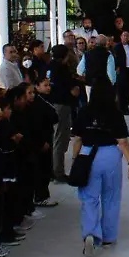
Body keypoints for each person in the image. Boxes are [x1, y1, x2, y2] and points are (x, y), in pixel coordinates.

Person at [70, 80, 129, 257]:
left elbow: (77, 139)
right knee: (111, 196)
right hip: (110, 156)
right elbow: (122, 141)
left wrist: (75, 159)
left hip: (88, 154)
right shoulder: (115, 113)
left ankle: (91, 233)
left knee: (89, 198)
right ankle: (108, 237)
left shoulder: (84, 112)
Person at [47, 46, 80, 182]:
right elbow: (71, 90)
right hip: (61, 105)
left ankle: (53, 170)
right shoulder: (61, 69)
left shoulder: (48, 67)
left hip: (51, 104)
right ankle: (58, 172)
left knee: (56, 137)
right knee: (60, 138)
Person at [114, 31, 129, 116]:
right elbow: (115, 58)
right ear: (121, 37)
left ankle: (126, 108)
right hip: (121, 70)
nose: (126, 37)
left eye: (127, 36)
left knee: (127, 89)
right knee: (121, 90)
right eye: (124, 35)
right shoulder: (117, 47)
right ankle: (121, 109)